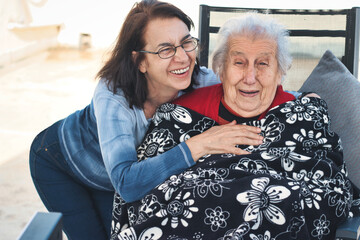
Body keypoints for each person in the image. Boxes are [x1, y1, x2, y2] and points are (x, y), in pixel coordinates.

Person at [29, 1, 264, 239]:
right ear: (139, 61)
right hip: (60, 162)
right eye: (165, 50)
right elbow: (128, 183)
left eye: (186, 42)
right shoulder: (113, 96)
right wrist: (199, 144)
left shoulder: (200, 80)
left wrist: (299, 96)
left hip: (118, 179)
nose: (182, 57)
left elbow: (251, 87)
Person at [111, 13, 358, 240]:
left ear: (280, 71)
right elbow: (140, 201)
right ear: (221, 69)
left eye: (263, 63)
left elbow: (329, 188)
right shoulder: (179, 114)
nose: (250, 77)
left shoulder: (303, 113)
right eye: (239, 63)